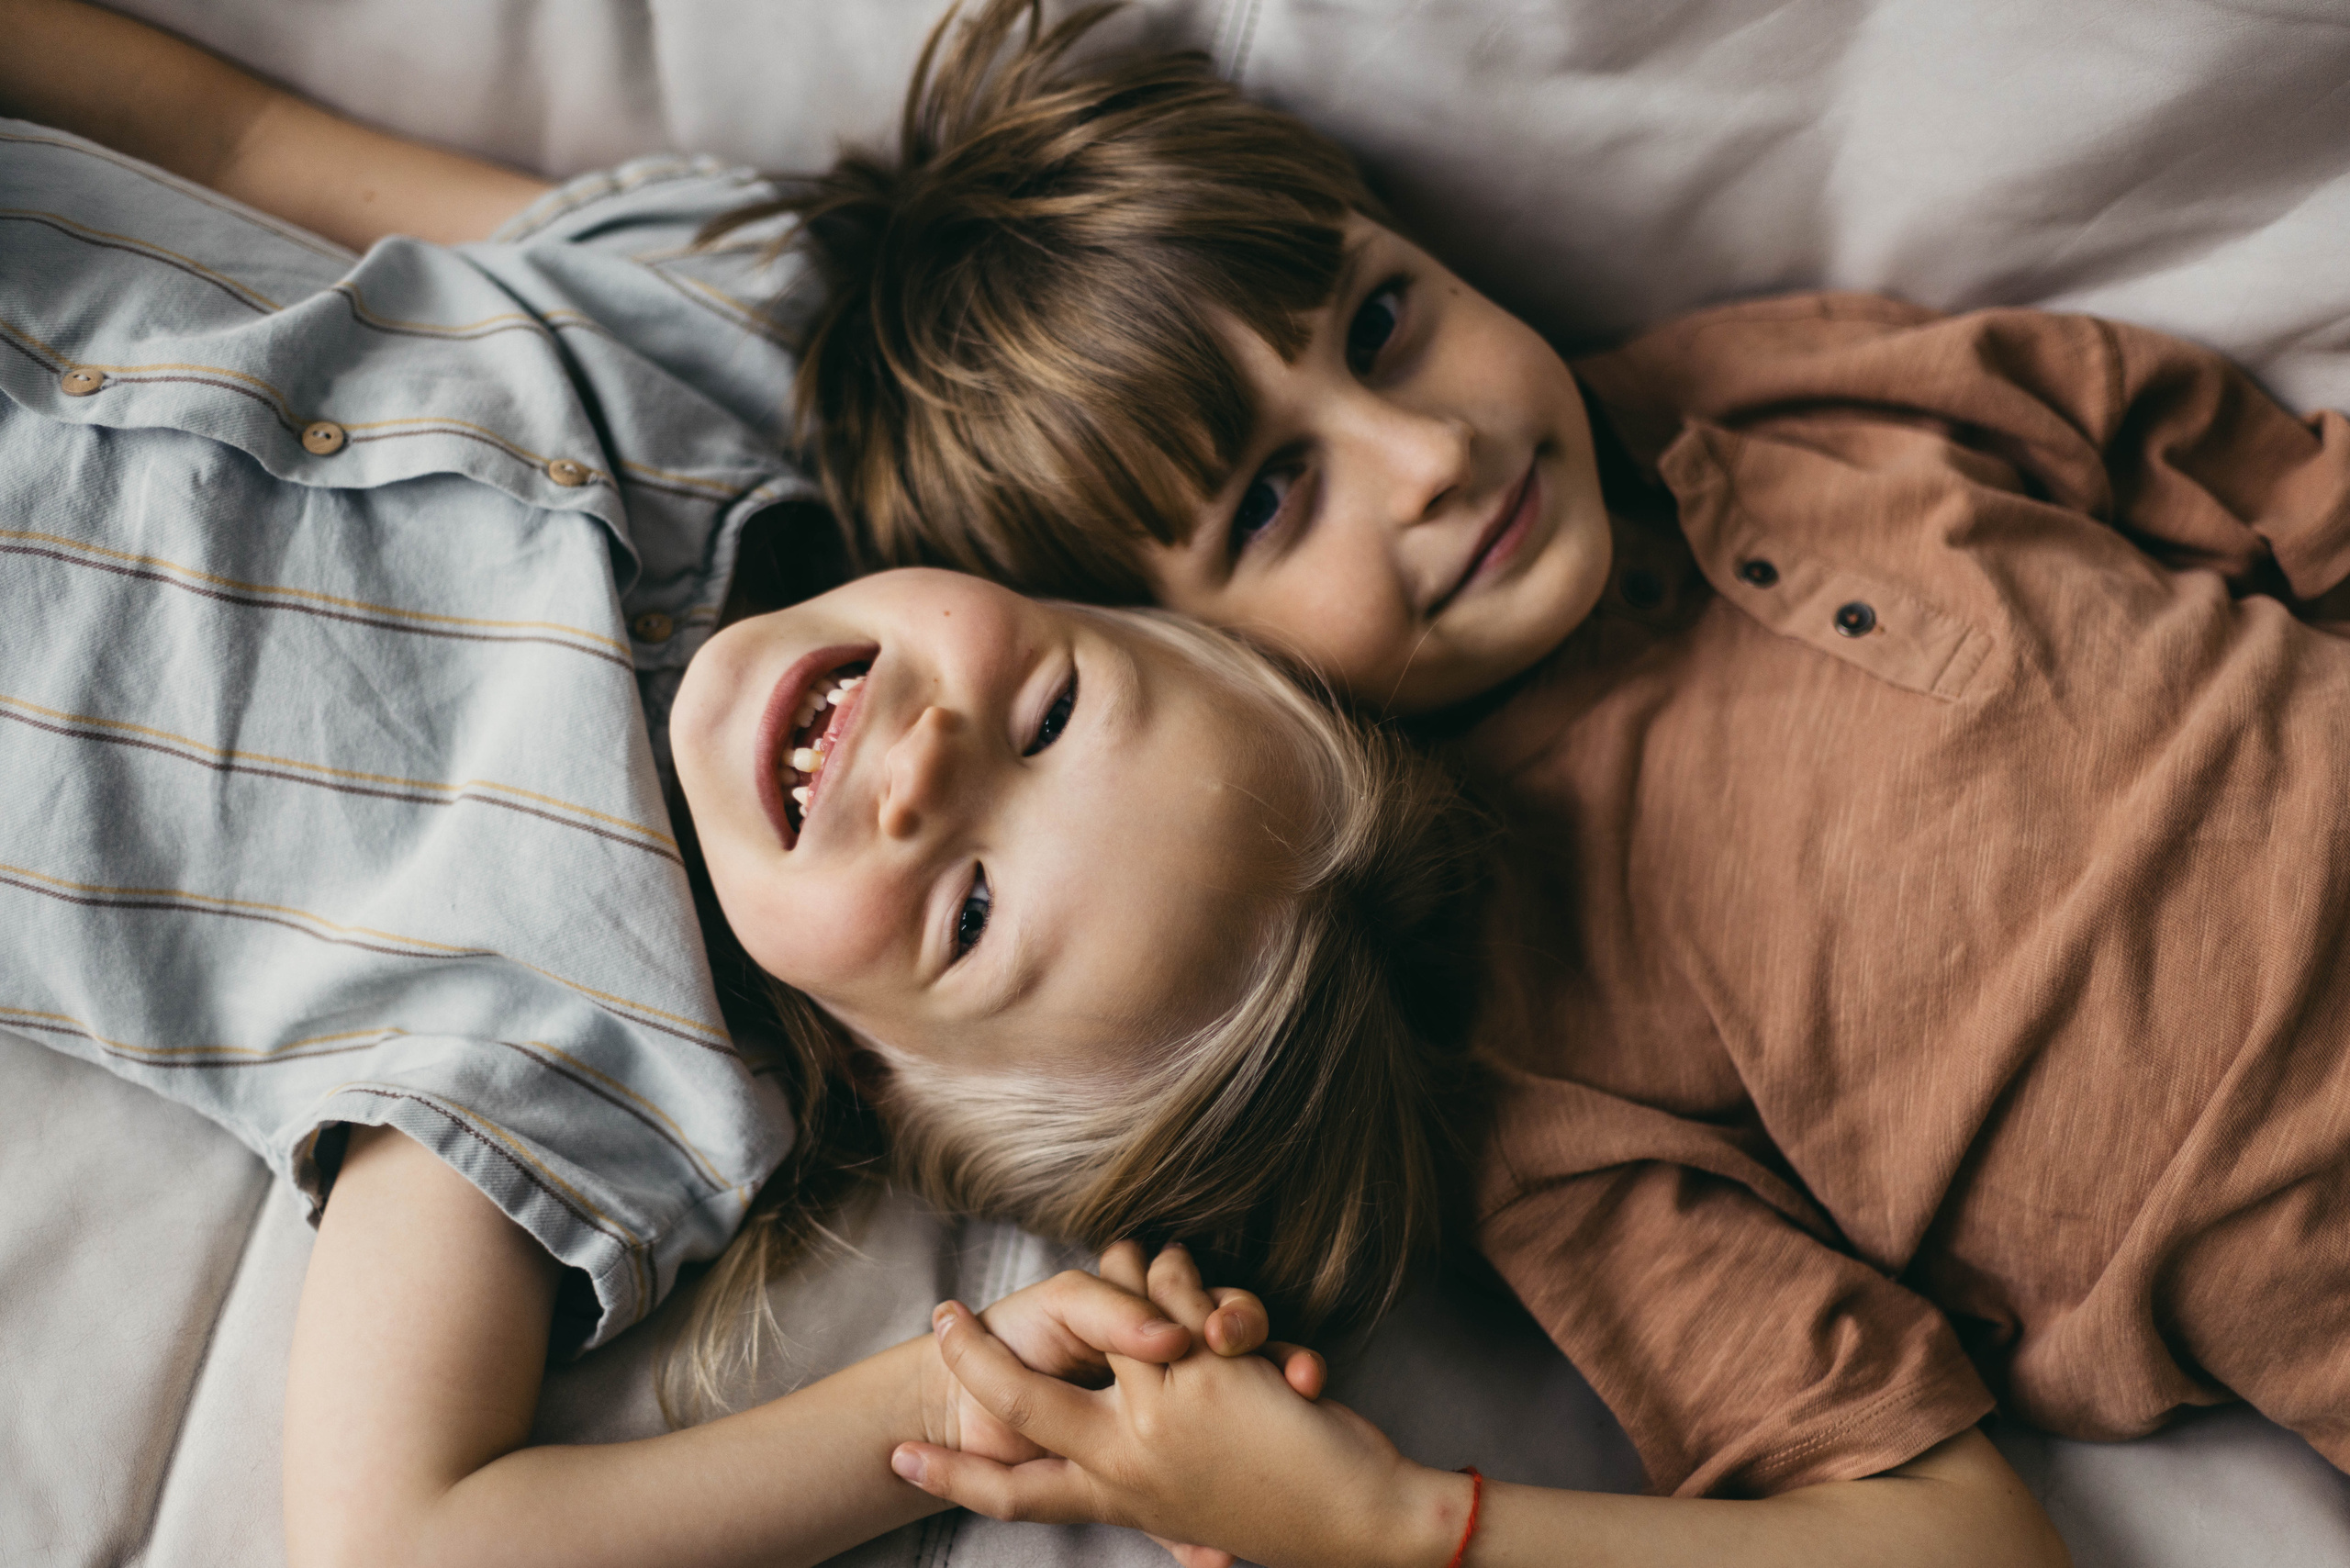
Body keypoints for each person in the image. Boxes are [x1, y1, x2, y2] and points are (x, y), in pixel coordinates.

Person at [754, 0, 2350, 1561]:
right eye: (1273, 502)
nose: (1432, 453)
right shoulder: (1516, 1039)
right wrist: (1389, 1526)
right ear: (1192, 674)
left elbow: (2268, 482)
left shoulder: (1773, 395)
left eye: (1382, 325)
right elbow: (1957, 1540)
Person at [0, 4, 1492, 1565]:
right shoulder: (753, 344)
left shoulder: (584, 1037)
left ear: (881, 1073)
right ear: (1069, 589)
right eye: (1052, 710)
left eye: (973, 913)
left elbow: (399, 1544)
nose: (929, 769)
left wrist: (960, 1393)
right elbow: (243, 143)